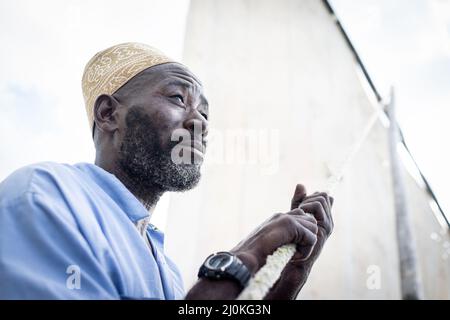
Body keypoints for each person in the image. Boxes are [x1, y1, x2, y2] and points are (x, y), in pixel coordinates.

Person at [0, 42, 333, 299]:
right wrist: (241, 259)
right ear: (107, 114)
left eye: (206, 114)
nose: (200, 122)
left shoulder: (167, 271)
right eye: (178, 98)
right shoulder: (47, 196)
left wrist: (285, 282)